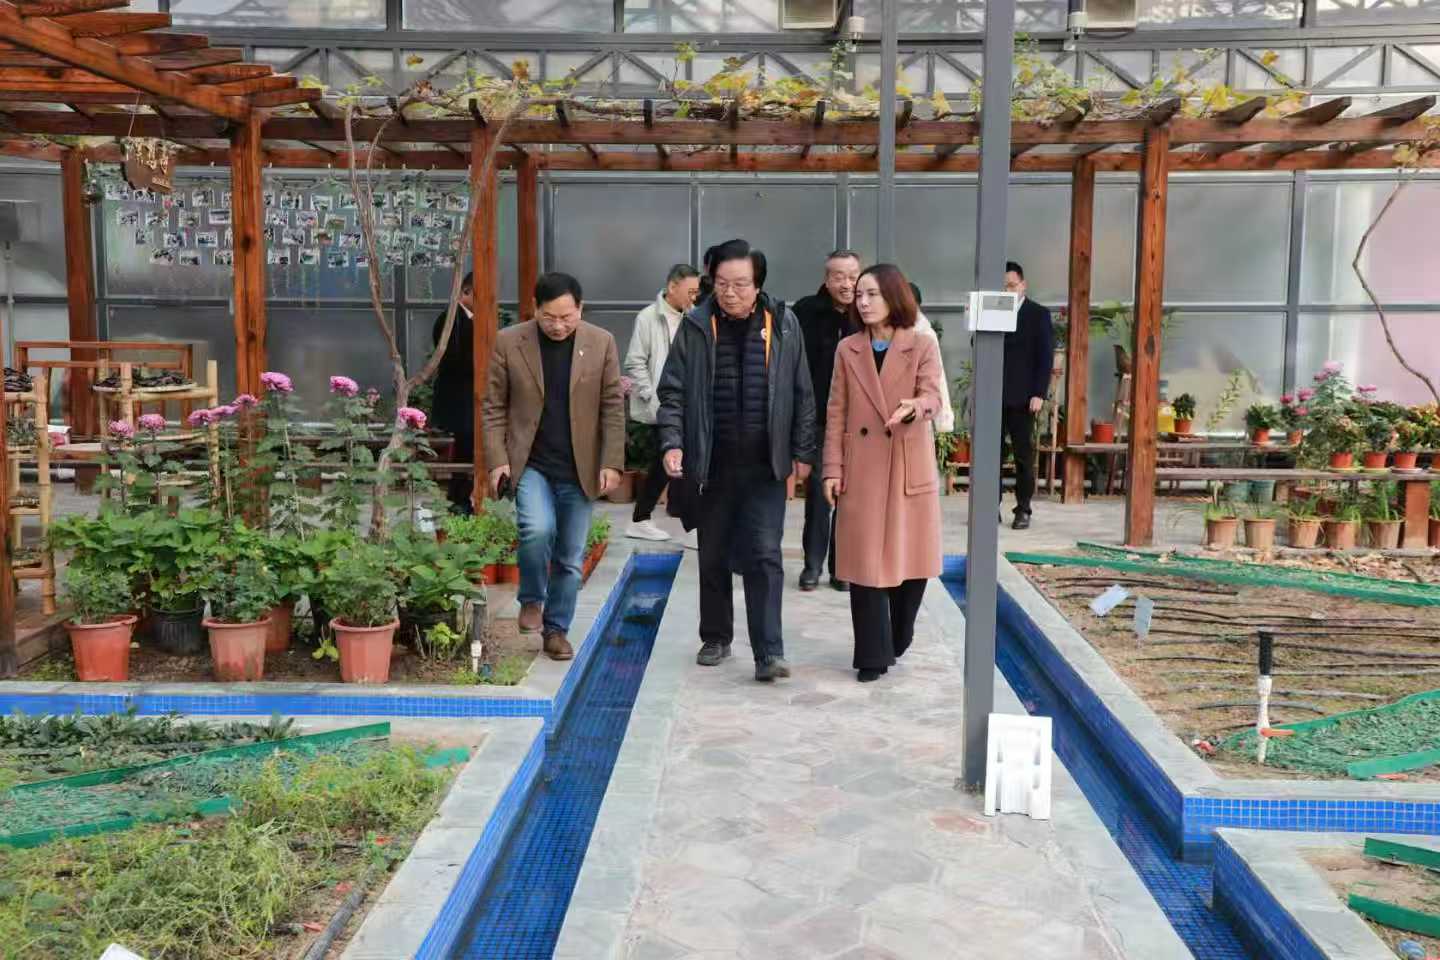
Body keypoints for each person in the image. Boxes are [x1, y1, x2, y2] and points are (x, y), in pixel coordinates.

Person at [657, 238, 817, 683]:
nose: (730, 293)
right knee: (713, 552)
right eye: (722, 283)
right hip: (712, 463)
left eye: (740, 284)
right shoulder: (696, 325)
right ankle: (716, 636)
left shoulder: (784, 323)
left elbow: (803, 392)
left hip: (765, 465)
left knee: (765, 554)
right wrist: (672, 442)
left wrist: (803, 451)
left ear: (758, 284)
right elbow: (672, 392)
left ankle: (769, 652)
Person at [483, 272, 625, 661]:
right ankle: (531, 598)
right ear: (535, 309)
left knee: (570, 557)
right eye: (549, 317)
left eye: (567, 317)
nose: (558, 326)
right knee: (537, 529)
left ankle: (556, 630)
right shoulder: (510, 341)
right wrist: (497, 461)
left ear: (580, 308)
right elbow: (493, 406)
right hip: (531, 462)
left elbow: (613, 406)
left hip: (580, 466)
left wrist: (612, 461)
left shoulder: (601, 342)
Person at [822, 264, 943, 683]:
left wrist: (916, 407)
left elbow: (933, 395)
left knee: (913, 560)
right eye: (859, 295)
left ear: (894, 296)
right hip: (861, 467)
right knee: (864, 563)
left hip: (907, 463)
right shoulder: (848, 349)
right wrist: (832, 468)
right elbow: (836, 412)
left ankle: (900, 633)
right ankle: (872, 655)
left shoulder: (922, 343)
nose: (863, 302)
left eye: (872, 294)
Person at [794, 250, 860, 593]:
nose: (847, 284)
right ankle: (812, 565)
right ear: (827, 279)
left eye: (853, 276)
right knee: (820, 496)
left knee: (851, 498)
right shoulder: (806, 312)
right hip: (819, 419)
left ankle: (842, 567)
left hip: (859, 423)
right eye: (839, 277)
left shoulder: (868, 311)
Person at [624, 263, 701, 542]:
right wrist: (651, 395)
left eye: (697, 291)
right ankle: (691, 527)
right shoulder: (648, 317)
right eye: (690, 291)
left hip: (688, 404)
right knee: (674, 464)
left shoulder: (695, 317)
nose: (694, 296)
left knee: (667, 465)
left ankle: (642, 519)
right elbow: (635, 361)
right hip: (661, 406)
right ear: (672, 287)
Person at [1001, 261, 1054, 530]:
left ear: (1023, 285)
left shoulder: (1037, 314)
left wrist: (1038, 393)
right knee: (992, 455)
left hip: (1023, 396)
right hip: (994, 394)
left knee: (1023, 455)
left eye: (1012, 286)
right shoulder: (993, 310)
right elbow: (978, 344)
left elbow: (1045, 356)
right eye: (1003, 287)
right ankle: (990, 506)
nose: (1008, 291)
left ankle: (1023, 509)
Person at [430, 272, 479, 513]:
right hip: (458, 397)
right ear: (466, 292)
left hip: (467, 397)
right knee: (464, 447)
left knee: (467, 447)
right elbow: (452, 360)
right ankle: (459, 500)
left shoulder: (468, 318)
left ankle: (462, 497)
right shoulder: (450, 319)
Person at [909, 282, 955, 435]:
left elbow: (938, 377)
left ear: (918, 305)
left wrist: (944, 420)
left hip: (919, 408)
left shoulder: (926, 334)